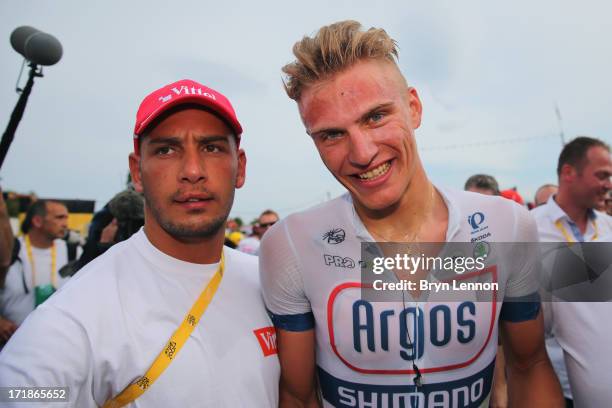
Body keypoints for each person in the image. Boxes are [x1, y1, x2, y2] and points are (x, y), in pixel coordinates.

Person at [260, 20, 563, 407]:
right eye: (332, 134)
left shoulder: (507, 224)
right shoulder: (290, 244)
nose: (362, 153)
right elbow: (299, 396)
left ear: (414, 108)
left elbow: (529, 364)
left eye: (375, 117)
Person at [0, 79, 279, 407]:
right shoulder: (76, 315)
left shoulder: (273, 283)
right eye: (166, 150)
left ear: (240, 167)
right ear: (137, 171)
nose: (192, 170)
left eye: (212, 147)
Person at [531, 136, 612, 407]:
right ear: (568, 173)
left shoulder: (609, 227)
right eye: (602, 175)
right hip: (556, 385)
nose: (608, 185)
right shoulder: (528, 229)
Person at [0, 200, 73, 331]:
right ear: (37, 221)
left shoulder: (73, 252)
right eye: (59, 217)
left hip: (56, 341)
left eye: (67, 217)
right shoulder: (10, 250)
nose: (66, 224)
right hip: (11, 343)